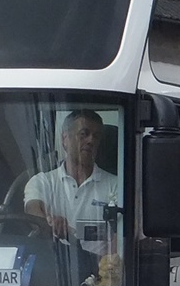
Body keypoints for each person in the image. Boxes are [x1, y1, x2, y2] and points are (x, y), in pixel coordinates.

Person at [24, 109, 120, 257]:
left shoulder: (117, 186)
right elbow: (32, 210)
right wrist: (48, 222)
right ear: (65, 139)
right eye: (84, 134)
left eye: (96, 136)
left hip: (100, 272)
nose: (91, 140)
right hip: (56, 269)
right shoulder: (43, 181)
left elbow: (122, 238)